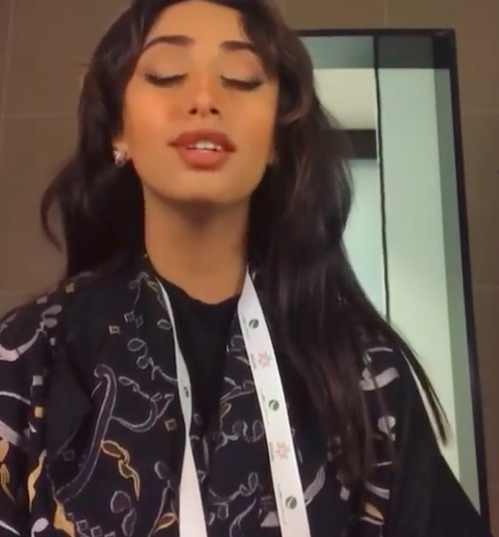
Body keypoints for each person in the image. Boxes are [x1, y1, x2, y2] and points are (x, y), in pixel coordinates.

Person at [0, 0, 492, 536]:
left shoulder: (364, 373)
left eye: (240, 78)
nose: (204, 99)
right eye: (166, 75)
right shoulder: (28, 358)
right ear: (119, 129)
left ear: (276, 138)